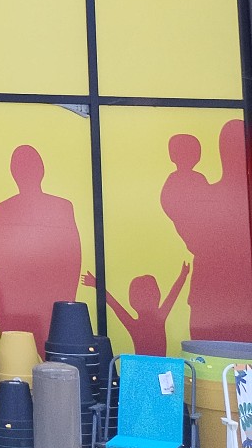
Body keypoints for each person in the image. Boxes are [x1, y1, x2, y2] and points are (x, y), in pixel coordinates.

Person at [161, 124, 252, 341]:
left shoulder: (202, 188)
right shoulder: (196, 188)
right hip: (213, 294)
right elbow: (186, 221)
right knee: (212, 351)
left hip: (224, 294)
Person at [0, 145, 81, 350]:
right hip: (14, 306)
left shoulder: (62, 207)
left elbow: (73, 256)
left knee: (39, 359)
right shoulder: (3, 210)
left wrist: (67, 303)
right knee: (17, 360)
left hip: (48, 305)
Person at [83, 265, 190, 356]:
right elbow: (173, 295)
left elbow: (115, 305)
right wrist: (183, 275)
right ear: (157, 296)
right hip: (159, 369)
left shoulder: (135, 324)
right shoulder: (158, 318)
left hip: (141, 369)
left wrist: (96, 284)